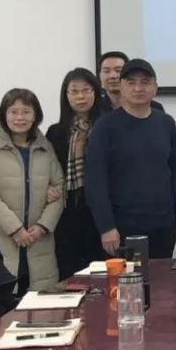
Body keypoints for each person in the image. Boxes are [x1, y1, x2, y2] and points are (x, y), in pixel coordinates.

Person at [0, 89, 65, 293]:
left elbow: (60, 189)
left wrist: (42, 226)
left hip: (39, 242)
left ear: (35, 116)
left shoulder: (45, 147)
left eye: (26, 112)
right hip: (1, 239)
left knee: (42, 304)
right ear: (4, 115)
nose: (20, 118)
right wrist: (15, 229)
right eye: (13, 112)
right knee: (2, 305)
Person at [86, 59, 176, 259]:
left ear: (155, 87)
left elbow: (174, 173)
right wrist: (106, 227)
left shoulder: (166, 123)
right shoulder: (105, 127)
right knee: (126, 279)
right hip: (122, 227)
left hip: (163, 225)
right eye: (131, 82)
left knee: (164, 278)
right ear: (121, 87)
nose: (138, 88)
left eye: (145, 82)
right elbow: (95, 181)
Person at [45, 68, 111, 278]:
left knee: (102, 276)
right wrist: (46, 186)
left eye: (86, 90)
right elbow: (46, 170)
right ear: (66, 95)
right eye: (74, 91)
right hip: (67, 213)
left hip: (101, 212)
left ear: (96, 93)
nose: (80, 96)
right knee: (69, 276)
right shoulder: (55, 132)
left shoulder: (108, 126)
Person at [98, 51, 164, 112]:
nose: (113, 76)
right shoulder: (95, 108)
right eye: (106, 71)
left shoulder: (154, 107)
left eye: (118, 70)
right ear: (100, 75)